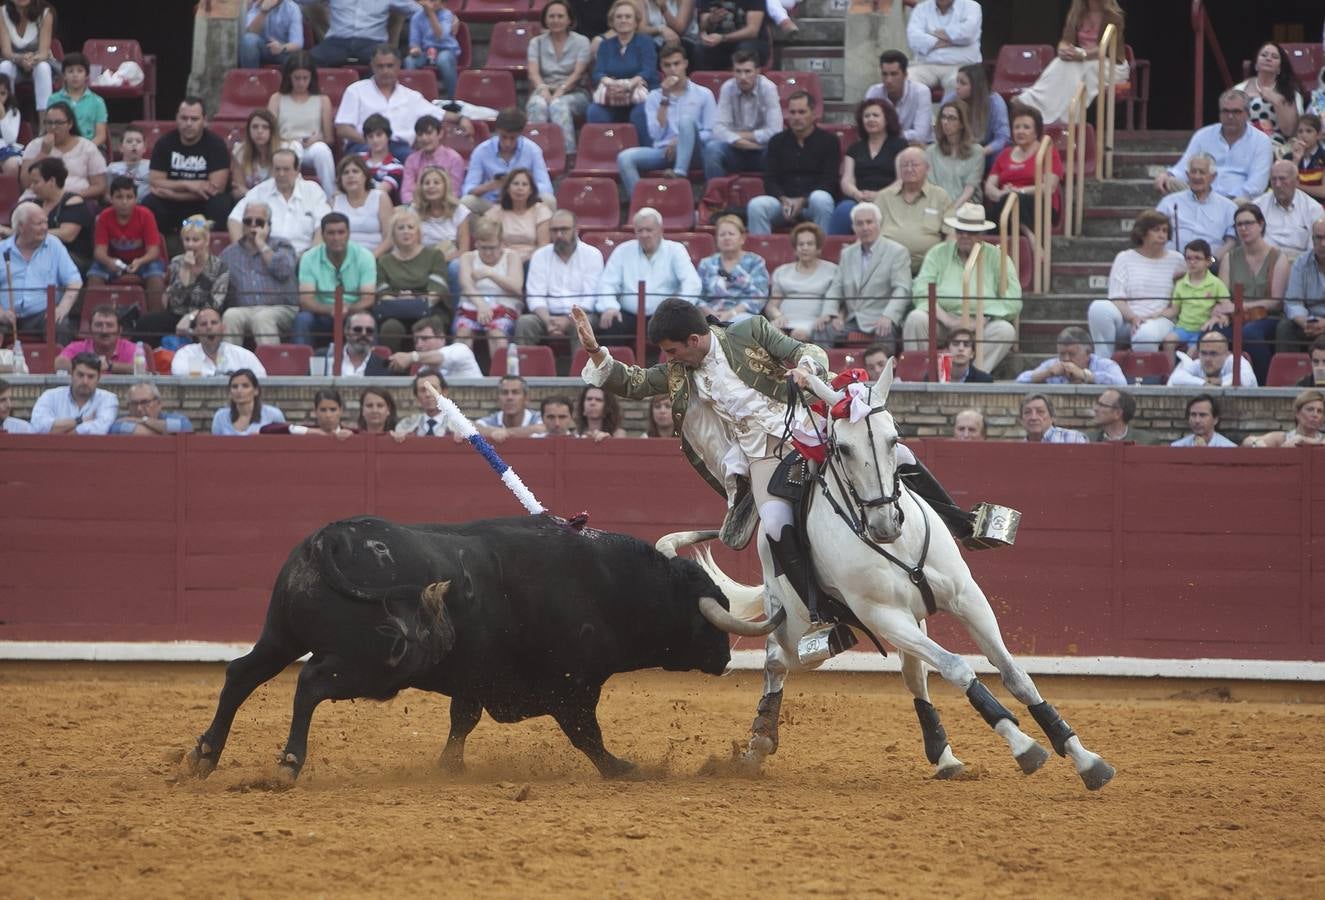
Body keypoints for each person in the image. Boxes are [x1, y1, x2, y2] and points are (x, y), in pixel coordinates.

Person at [573, 297, 986, 614]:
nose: (669, 358)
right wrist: (595, 351)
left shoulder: (748, 331)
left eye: (672, 350)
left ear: (694, 340)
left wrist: (804, 370)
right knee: (773, 522)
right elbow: (634, 383)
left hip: (807, 427)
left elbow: (807, 350)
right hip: (761, 455)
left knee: (900, 455)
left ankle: (965, 525)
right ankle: (818, 611)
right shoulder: (681, 373)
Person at [905, 203, 1021, 372]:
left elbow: (1014, 301)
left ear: (982, 233)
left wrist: (982, 319)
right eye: (960, 230)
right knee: (916, 319)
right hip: (942, 321)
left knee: (1005, 330)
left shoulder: (998, 257)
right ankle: (920, 374)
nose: (965, 235)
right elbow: (921, 290)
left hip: (980, 324)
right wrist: (947, 319)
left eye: (971, 232)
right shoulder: (938, 253)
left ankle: (970, 376)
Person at [617, 42, 715, 195]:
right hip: (664, 152)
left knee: (686, 121)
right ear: (662, 68)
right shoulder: (654, 97)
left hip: (695, 152)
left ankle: (680, 173)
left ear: (685, 64)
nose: (673, 69)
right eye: (667, 65)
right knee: (625, 158)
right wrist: (665, 97)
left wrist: (681, 140)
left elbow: (711, 132)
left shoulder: (704, 94)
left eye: (677, 64)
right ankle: (640, 202)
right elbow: (655, 134)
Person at [1087, 209, 1186, 357]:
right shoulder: (1124, 258)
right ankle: (1104, 362)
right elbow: (1116, 297)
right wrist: (1133, 318)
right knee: (1098, 308)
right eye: (1156, 230)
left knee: (1144, 335)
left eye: (1165, 230)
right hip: (1127, 319)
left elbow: (1207, 265)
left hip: (1160, 320)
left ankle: (1147, 377)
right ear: (1142, 233)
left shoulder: (1178, 260)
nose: (1162, 234)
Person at [1016, 0, 1127, 125]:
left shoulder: (1114, 16)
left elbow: (1106, 48)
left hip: (1111, 65)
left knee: (1080, 68)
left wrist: (1083, 55)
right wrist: (1063, 49)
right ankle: (1042, 106)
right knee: (1062, 61)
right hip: (1082, 62)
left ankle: (1057, 115)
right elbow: (1066, 41)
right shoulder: (1077, 13)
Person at [516, 209, 610, 352]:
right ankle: (522, 372)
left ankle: (583, 373)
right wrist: (548, 321)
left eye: (564, 229)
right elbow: (535, 297)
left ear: (576, 230)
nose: (559, 235)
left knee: (583, 325)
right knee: (525, 322)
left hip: (581, 314)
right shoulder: (540, 255)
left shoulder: (592, 254)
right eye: (554, 230)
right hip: (546, 315)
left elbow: (590, 299)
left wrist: (568, 320)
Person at [746, 91, 838, 236]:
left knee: (822, 199)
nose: (796, 117)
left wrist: (803, 200)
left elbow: (829, 181)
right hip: (783, 203)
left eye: (802, 112)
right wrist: (783, 199)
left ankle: (823, 252)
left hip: (811, 203)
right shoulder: (777, 141)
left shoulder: (829, 141)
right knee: (756, 206)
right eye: (793, 112)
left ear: (813, 113)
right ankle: (762, 256)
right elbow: (770, 179)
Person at [1215, 202, 1288, 383]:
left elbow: (1276, 301)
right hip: (1235, 316)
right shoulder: (1230, 258)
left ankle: (1263, 383)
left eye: (1248, 223)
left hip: (1268, 316)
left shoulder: (1278, 257)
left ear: (1261, 225)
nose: (1244, 228)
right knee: (1213, 333)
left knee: (1250, 333)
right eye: (1239, 224)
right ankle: (1218, 381)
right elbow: (1223, 296)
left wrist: (1241, 306)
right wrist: (1224, 312)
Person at [597, 207, 702, 332]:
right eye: (640, 230)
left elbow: (692, 283)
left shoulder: (675, 250)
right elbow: (607, 283)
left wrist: (678, 309)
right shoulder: (622, 250)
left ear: (660, 230)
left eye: (649, 230)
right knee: (609, 322)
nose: (644, 235)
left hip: (665, 316)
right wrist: (610, 307)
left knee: (680, 327)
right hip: (628, 314)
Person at [822, 203, 912, 350]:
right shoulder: (847, 254)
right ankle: (826, 373)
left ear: (879, 224)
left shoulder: (897, 252)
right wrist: (830, 313)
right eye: (860, 223)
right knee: (822, 329)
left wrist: (889, 316)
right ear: (854, 228)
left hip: (881, 318)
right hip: (852, 320)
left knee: (885, 333)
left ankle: (886, 374)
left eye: (869, 222)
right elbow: (836, 287)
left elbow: (902, 289)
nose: (865, 228)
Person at [1157, 90, 1273, 203]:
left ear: (1247, 114)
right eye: (1225, 111)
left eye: (1236, 112)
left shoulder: (1261, 141)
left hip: (1235, 202)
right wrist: (1167, 175)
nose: (1230, 116)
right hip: (1199, 195)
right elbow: (1184, 167)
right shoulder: (1203, 135)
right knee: (1169, 182)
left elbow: (1256, 185)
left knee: (1242, 202)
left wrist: (1221, 203)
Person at [142, 98, 233, 237]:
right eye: (184, 118)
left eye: (194, 119)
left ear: (204, 120)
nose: (188, 124)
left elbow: (215, 189)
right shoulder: (164, 143)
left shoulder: (216, 145)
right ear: (177, 119)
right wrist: (189, 184)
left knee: (221, 203)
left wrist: (175, 194)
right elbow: (155, 181)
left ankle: (211, 251)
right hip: (172, 204)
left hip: (202, 203)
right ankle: (161, 249)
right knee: (150, 203)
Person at [334, 44, 436, 160]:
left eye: (390, 66)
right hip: (363, 144)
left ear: (398, 66)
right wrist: (374, 142)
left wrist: (460, 119)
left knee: (415, 161)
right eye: (380, 66)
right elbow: (342, 129)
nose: (385, 71)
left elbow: (439, 114)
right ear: (372, 66)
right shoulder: (355, 91)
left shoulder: (412, 96)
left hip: (400, 147)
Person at [0, 201, 80, 343]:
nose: (45, 228)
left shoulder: (54, 245)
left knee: (61, 325)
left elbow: (74, 281)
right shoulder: (2, 250)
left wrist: (61, 308)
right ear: (21, 227)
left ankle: (57, 365)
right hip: (6, 315)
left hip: (42, 315)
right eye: (38, 224)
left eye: (46, 222)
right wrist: (2, 313)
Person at [142, 215, 229, 345]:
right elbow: (176, 303)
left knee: (205, 325)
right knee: (146, 322)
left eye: (195, 240)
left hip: (206, 317)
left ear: (206, 241)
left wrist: (191, 316)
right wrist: (186, 270)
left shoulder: (220, 267)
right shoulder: (177, 262)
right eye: (186, 240)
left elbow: (215, 305)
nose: (190, 245)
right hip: (178, 314)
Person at [220, 204, 300, 346]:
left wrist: (261, 244)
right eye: (247, 221)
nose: (253, 226)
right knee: (230, 315)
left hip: (281, 308)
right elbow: (219, 285)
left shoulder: (282, 245)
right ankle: (230, 365)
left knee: (262, 318)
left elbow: (283, 271)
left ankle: (270, 367)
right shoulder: (229, 253)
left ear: (268, 225)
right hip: (245, 310)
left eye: (259, 222)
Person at [294, 212, 378, 346]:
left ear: (349, 234)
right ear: (323, 235)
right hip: (321, 313)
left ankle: (369, 363)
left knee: (366, 320)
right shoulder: (309, 257)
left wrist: (348, 309)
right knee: (303, 319)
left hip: (354, 312)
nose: (336, 237)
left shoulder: (365, 256)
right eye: (331, 233)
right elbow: (306, 300)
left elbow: (368, 298)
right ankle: (301, 365)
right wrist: (332, 310)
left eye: (341, 232)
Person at [227, 149, 330, 255]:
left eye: (286, 169)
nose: (281, 174)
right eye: (277, 169)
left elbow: (324, 225)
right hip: (266, 258)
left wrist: (311, 258)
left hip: (303, 257)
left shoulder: (312, 191)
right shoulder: (260, 191)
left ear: (297, 170)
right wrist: (245, 253)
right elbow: (234, 219)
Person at [85, 176, 166, 311]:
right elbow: (99, 252)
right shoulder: (104, 217)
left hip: (143, 260)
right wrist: (109, 261)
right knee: (94, 274)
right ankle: (94, 320)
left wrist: (140, 261)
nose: (124, 202)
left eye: (129, 197)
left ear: (136, 199)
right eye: (119, 197)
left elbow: (154, 251)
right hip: (114, 261)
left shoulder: (146, 215)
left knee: (155, 275)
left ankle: (155, 321)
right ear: (111, 199)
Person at [828, 98, 907, 236]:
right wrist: (856, 194)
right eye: (866, 116)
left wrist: (879, 195)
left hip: (889, 198)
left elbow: (901, 180)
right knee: (843, 210)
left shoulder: (899, 145)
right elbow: (847, 180)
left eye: (875, 115)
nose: (870, 119)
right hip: (858, 198)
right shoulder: (854, 148)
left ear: (887, 119)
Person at [376, 207, 451, 348]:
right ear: (393, 234)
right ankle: (390, 367)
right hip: (395, 311)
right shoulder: (383, 261)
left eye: (411, 227)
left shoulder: (434, 256)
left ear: (418, 233)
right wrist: (402, 304)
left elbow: (437, 291)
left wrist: (413, 303)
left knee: (428, 327)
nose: (406, 231)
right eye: (400, 228)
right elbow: (383, 294)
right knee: (390, 328)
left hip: (429, 309)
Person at [701, 49, 781, 179]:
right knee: (712, 149)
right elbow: (718, 130)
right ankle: (715, 196)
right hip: (736, 149)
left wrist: (737, 136)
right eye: (738, 71)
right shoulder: (727, 88)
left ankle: (771, 195)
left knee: (777, 150)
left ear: (757, 71)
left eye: (747, 71)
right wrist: (745, 143)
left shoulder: (768, 88)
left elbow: (775, 131)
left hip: (762, 151)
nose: (742, 77)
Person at [267, 52, 337, 199]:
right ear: (289, 77)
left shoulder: (323, 100)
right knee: (293, 148)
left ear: (311, 78)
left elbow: (329, 138)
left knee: (323, 151)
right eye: (297, 78)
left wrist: (318, 139)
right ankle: (292, 195)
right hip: (285, 145)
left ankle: (331, 197)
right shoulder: (277, 99)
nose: (301, 83)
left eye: (305, 78)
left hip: (311, 146)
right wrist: (287, 140)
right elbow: (270, 132)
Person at [526, 1, 593, 156]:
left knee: (558, 105)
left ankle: (566, 155)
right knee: (537, 105)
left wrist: (561, 91)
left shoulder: (582, 41)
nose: (555, 20)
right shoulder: (536, 42)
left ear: (569, 20)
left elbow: (578, 73)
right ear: (545, 19)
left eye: (560, 16)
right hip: (544, 89)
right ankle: (537, 154)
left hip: (575, 92)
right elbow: (533, 73)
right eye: (552, 16)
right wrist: (543, 90)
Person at [461, 107, 556, 214]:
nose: (507, 143)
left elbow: (546, 187)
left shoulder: (533, 150)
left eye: (512, 138)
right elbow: (468, 189)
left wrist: (523, 187)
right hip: (492, 204)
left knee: (549, 200)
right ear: (497, 131)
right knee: (466, 202)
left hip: (524, 203)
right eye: (503, 137)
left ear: (520, 134)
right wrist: (490, 186)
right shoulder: (481, 151)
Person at [877, 148, 954, 275]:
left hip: (929, 267)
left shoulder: (940, 196)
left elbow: (951, 234)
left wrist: (944, 262)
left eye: (914, 165)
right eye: (904, 165)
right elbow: (868, 228)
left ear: (927, 168)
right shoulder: (884, 197)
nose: (909, 169)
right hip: (886, 266)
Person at [456, 217, 524, 356]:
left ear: (501, 244)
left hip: (504, 308)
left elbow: (516, 287)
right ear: (476, 244)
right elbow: (466, 285)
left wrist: (490, 273)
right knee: (463, 332)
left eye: (492, 248)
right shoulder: (468, 257)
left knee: (495, 332)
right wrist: (481, 305)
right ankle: (462, 375)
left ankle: (500, 374)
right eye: (483, 248)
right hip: (472, 307)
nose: (487, 252)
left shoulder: (512, 257)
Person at [984, 103, 1062, 221]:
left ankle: (1028, 235)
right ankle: (1028, 234)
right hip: (1005, 204)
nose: (1020, 131)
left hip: (1040, 207)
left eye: (1026, 127)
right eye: (1017, 127)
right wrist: (1001, 194)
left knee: (1014, 201)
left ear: (1036, 132)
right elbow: (989, 187)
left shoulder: (1048, 153)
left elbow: (1049, 187)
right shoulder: (1004, 154)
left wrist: (1019, 192)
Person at [587, 0, 658, 127]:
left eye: (628, 16)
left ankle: (641, 146)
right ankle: (609, 142)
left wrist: (629, 84)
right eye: (619, 17)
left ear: (636, 21)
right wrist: (611, 84)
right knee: (595, 112)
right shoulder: (605, 45)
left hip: (639, 96)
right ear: (612, 21)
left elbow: (648, 70)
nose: (623, 20)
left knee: (640, 113)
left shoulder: (646, 42)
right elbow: (598, 73)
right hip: (612, 95)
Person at [765, 221, 838, 342]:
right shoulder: (782, 271)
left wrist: (828, 317)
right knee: (769, 332)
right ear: (795, 248)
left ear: (818, 247)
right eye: (801, 244)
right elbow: (772, 306)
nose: (805, 248)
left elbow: (837, 302)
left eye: (810, 244)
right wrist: (778, 316)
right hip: (785, 322)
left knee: (798, 335)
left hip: (815, 323)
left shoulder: (832, 270)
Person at [19, 101, 106, 201]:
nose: (53, 128)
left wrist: (70, 196)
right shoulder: (35, 145)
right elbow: (25, 183)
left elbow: (99, 185)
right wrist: (44, 153)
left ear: (70, 124)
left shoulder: (87, 147)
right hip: (37, 199)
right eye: (49, 123)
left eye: (59, 123)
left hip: (75, 199)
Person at [1155, 154, 1236, 256]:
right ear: (1187, 175)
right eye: (1193, 172)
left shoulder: (1228, 208)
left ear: (1213, 177)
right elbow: (1153, 231)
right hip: (1173, 262)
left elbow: (1231, 243)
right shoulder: (1169, 203)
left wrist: (1211, 262)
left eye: (1202, 172)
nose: (1197, 176)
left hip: (1210, 266)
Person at [1159, 238, 1229, 357]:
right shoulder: (1181, 284)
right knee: (1168, 341)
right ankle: (1169, 373)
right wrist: (1153, 315)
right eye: (1189, 258)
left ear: (1208, 261)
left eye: (1197, 258)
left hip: (1202, 329)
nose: (1192, 262)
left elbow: (1226, 305)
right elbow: (1174, 310)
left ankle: (1189, 373)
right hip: (1183, 328)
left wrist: (1220, 317)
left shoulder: (1216, 283)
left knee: (1193, 351)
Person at [305, 0, 424, 69]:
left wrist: (432, 9)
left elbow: (419, 11)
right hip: (337, 41)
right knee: (305, 61)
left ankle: (367, 95)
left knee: (389, 63)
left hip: (371, 43)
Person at [1234, 41, 1304, 155]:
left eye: (1274, 57)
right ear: (1256, 64)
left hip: (1277, 149)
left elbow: (1290, 131)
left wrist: (1277, 102)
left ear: (1279, 68)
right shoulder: (1239, 90)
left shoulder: (1290, 93)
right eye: (1264, 55)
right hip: (1244, 146)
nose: (1268, 59)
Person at [697, 214, 768, 321]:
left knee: (741, 322)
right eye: (722, 235)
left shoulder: (755, 261)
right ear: (717, 239)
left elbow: (759, 295)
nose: (727, 238)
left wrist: (731, 313)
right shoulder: (706, 263)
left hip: (741, 315)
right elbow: (697, 295)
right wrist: (710, 314)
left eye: (731, 234)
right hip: (709, 315)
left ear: (742, 238)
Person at [27, 157, 92, 272]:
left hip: (73, 257)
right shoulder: (35, 203)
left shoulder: (73, 201)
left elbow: (67, 235)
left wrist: (29, 234)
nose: (31, 187)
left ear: (52, 181)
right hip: (41, 253)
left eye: (36, 182)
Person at [414, 166, 470, 297]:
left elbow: (464, 250)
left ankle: (457, 312)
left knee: (456, 267)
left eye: (436, 182)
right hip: (422, 259)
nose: (431, 186)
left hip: (450, 259)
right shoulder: (414, 210)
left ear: (445, 186)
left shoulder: (459, 210)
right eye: (426, 183)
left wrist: (439, 260)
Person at [905, 0, 982, 94]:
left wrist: (931, 36)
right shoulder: (921, 8)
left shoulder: (972, 6)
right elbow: (914, 40)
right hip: (926, 65)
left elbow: (968, 34)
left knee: (958, 84)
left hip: (961, 66)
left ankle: (951, 109)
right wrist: (954, 40)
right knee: (905, 80)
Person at [29, 352, 118, 435]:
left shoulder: (108, 399)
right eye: (80, 375)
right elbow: (39, 427)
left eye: (91, 377)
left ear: (98, 378)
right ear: (71, 374)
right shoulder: (50, 396)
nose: (85, 381)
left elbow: (99, 430)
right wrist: (81, 420)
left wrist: (62, 433)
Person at [1275, 217, 1325, 355]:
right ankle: (1287, 375)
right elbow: (1293, 302)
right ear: (1312, 239)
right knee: (1285, 327)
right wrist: (1306, 322)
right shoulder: (1301, 262)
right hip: (1310, 320)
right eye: (1318, 238)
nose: (1323, 243)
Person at [942, 63, 1009, 166]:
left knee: (1000, 153)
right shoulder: (951, 99)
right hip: (958, 149)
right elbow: (939, 128)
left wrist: (980, 153)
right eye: (957, 82)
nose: (957, 87)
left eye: (963, 83)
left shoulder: (996, 103)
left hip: (986, 151)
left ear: (976, 86)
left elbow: (1002, 138)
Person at [483, 168, 553, 265]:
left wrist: (525, 260)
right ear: (507, 188)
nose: (520, 188)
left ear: (531, 190)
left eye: (524, 184)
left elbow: (543, 245)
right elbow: (491, 243)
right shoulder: (495, 212)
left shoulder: (541, 211)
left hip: (532, 261)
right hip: (503, 260)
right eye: (515, 184)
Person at [171, 307, 266, 377]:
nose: (209, 327)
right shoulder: (187, 354)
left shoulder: (242, 355)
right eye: (203, 324)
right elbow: (179, 373)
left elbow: (261, 377)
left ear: (223, 328)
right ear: (196, 331)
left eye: (214, 323)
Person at [1016, 325, 1126, 385]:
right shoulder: (1053, 365)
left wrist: (1085, 375)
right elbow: (1021, 380)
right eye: (1062, 354)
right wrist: (1047, 373)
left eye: (1072, 354)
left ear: (1088, 353)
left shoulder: (1105, 365)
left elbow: (1122, 383)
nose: (1066, 359)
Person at [864, 50, 933, 145]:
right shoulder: (874, 92)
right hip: (884, 146)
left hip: (915, 147)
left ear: (905, 75)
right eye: (885, 74)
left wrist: (884, 134)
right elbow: (866, 128)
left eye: (894, 74)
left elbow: (921, 135)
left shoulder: (921, 92)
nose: (888, 80)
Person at [0, 0, 56, 115]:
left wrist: (31, 59)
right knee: (4, 67)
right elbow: (6, 52)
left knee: (43, 68)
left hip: (38, 60)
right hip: (13, 60)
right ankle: (6, 118)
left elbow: (43, 52)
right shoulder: (2, 12)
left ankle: (45, 124)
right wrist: (20, 59)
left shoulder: (46, 13)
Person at [331, 154, 393, 258]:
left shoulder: (380, 197)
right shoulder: (336, 201)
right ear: (340, 179)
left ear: (365, 176)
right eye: (346, 173)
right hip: (343, 259)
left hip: (376, 257)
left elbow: (390, 238)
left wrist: (370, 258)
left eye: (355, 171)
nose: (350, 175)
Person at [926, 99, 983, 210]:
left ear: (962, 123)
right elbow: (931, 186)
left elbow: (969, 189)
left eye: (951, 118)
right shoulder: (931, 151)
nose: (945, 122)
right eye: (943, 117)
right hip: (937, 205)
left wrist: (951, 211)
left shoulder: (977, 152)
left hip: (966, 207)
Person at [1254, 160, 1319, 256]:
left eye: (1282, 179)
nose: (1278, 185)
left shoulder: (1313, 209)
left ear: (1297, 181)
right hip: (1264, 260)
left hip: (1298, 263)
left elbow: (1314, 252)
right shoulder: (1258, 206)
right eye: (1273, 179)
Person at [387, 314, 482, 378]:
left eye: (425, 339)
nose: (419, 345)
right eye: (416, 341)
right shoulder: (423, 371)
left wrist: (411, 356)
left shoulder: (461, 349)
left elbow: (441, 356)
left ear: (441, 337)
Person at [399, 115, 465, 205]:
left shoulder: (454, 159)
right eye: (420, 134)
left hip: (446, 208)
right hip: (417, 208)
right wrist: (416, 207)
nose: (424, 138)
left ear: (440, 134)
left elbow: (454, 192)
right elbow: (407, 193)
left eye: (429, 133)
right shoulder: (411, 160)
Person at [47, 52, 107, 149]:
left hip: (89, 147)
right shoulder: (53, 99)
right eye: (70, 71)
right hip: (60, 146)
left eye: (80, 71)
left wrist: (84, 149)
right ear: (64, 75)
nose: (75, 75)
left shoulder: (97, 101)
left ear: (86, 75)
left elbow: (101, 136)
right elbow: (49, 129)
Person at [54, 304, 136, 374]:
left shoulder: (131, 348)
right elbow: (59, 364)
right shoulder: (77, 347)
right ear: (90, 329)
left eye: (109, 325)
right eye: (98, 325)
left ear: (119, 330)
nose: (104, 331)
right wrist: (91, 365)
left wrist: (110, 366)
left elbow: (141, 370)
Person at [405, 0, 460, 100]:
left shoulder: (446, 14)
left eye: (434, 0)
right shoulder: (417, 17)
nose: (431, 3)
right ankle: (413, 98)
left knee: (443, 59)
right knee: (409, 60)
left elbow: (440, 36)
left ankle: (454, 98)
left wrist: (431, 13)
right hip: (426, 52)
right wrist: (415, 49)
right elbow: (414, 41)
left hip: (446, 50)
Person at [694, 0, 767, 72]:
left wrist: (723, 38)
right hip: (717, 41)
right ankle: (706, 81)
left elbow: (752, 31)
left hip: (751, 41)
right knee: (699, 48)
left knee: (744, 49)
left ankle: (744, 79)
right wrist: (711, 20)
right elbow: (702, 27)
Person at [1167, 329, 1257, 388]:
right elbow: (1175, 378)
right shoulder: (1197, 363)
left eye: (1213, 354)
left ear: (1227, 354)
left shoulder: (1237, 361)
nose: (1207, 359)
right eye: (1203, 353)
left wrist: (1219, 382)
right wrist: (1204, 383)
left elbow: (1246, 379)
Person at [212, 368, 285, 436]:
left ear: (256, 391)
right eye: (234, 386)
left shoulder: (273, 415)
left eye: (245, 386)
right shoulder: (220, 417)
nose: (239, 391)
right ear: (230, 392)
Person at [1242, 389, 1324, 447]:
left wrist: (1302, 439)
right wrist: (1258, 445)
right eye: (1310, 409)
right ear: (1297, 413)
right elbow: (1248, 441)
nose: (1315, 414)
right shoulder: (1281, 438)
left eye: (1319, 411)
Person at [320, 310, 392, 376]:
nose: (364, 334)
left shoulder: (382, 366)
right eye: (358, 329)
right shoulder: (323, 357)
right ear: (346, 331)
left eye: (369, 330)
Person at [110, 381, 195, 435]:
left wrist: (142, 420)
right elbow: (116, 429)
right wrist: (164, 431)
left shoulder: (169, 417)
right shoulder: (120, 421)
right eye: (134, 404)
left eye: (145, 402)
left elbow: (186, 427)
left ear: (158, 403)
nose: (139, 408)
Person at [477, 374, 545, 441]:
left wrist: (507, 433)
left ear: (526, 398)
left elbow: (544, 427)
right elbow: (473, 427)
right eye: (504, 393)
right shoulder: (492, 420)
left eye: (515, 392)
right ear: (498, 399)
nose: (509, 397)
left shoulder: (537, 418)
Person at [230, 109, 278, 200]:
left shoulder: (285, 151)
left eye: (265, 127)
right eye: (255, 127)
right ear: (248, 130)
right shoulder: (240, 152)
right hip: (249, 206)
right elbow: (237, 191)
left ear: (272, 131)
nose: (259, 131)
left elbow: (281, 191)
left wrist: (248, 192)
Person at [240, 0, 304, 69]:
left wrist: (281, 48)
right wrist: (263, 12)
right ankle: (250, 77)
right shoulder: (258, 5)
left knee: (297, 60)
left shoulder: (292, 8)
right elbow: (251, 33)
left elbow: (298, 43)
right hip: (262, 48)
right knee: (248, 40)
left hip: (283, 51)